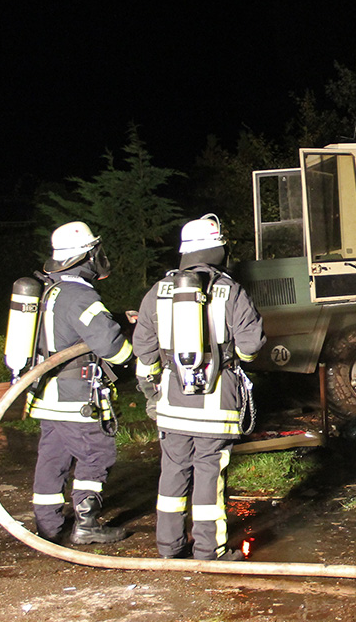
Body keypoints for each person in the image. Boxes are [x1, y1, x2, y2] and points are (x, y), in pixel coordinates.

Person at [132, 214, 265, 560]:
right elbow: (251, 346)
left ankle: (169, 546)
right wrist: (233, 362)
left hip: (171, 405)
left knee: (172, 473)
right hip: (215, 406)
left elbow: (144, 352)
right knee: (209, 475)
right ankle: (209, 551)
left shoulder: (158, 292)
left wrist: (153, 394)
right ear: (218, 250)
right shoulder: (230, 290)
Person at [28, 221, 133, 545]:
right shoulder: (80, 295)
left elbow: (68, 330)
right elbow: (111, 347)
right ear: (87, 256)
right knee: (96, 454)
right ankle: (87, 524)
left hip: (47, 395)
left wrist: (117, 317)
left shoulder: (51, 289)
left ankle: (48, 525)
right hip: (76, 397)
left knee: (53, 459)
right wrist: (132, 354)